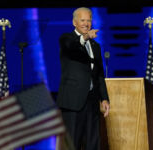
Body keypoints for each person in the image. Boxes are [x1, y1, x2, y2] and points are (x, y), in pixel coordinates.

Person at [57, 7, 110, 150]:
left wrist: (104, 98)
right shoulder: (66, 39)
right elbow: (71, 46)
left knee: (93, 143)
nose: (86, 23)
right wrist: (85, 37)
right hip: (73, 102)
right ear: (74, 22)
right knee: (72, 144)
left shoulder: (96, 46)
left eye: (89, 20)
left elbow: (99, 75)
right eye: (83, 20)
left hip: (92, 102)